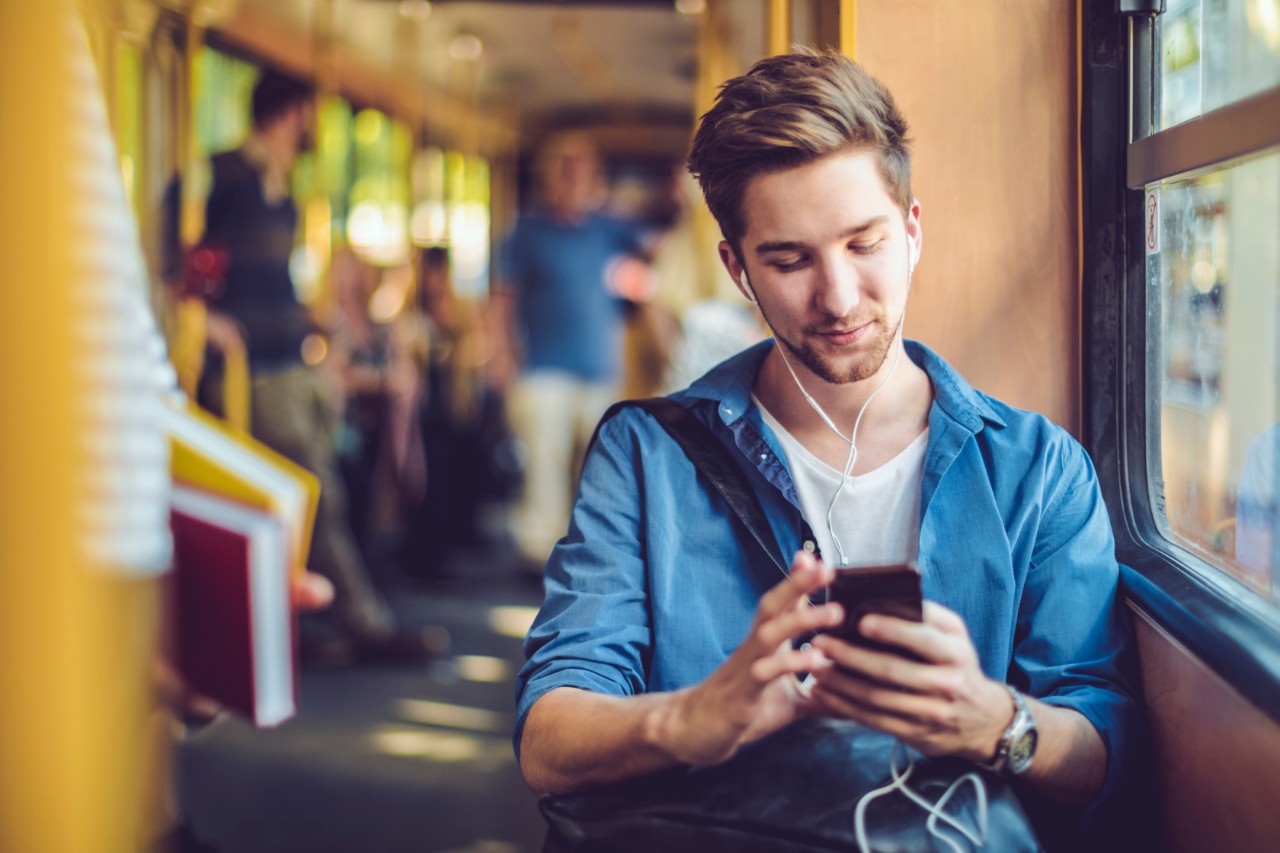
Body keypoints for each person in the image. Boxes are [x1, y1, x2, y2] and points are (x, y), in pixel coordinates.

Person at [514, 50, 1137, 837]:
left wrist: (996, 720)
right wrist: (696, 717)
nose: (838, 297)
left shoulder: (1037, 471)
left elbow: (1104, 756)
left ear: (913, 231)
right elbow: (547, 739)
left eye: (865, 243)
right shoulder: (646, 457)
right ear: (737, 269)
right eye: (790, 259)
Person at [201, 69, 443, 663]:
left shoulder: (280, 188)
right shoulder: (226, 177)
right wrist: (203, 319)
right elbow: (188, 257)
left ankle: (324, 615)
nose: (312, 129)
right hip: (252, 366)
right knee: (313, 494)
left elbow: (266, 279)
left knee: (318, 493)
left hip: (289, 359)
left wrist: (320, 323)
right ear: (289, 114)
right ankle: (360, 621)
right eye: (308, 116)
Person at [490, 132, 648, 571]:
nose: (575, 178)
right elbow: (501, 300)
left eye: (583, 169)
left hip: (601, 370)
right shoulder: (527, 230)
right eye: (566, 168)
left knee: (600, 472)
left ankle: (589, 556)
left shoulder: (611, 229)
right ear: (550, 176)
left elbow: (655, 257)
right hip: (542, 370)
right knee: (544, 468)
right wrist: (501, 358)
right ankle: (541, 561)